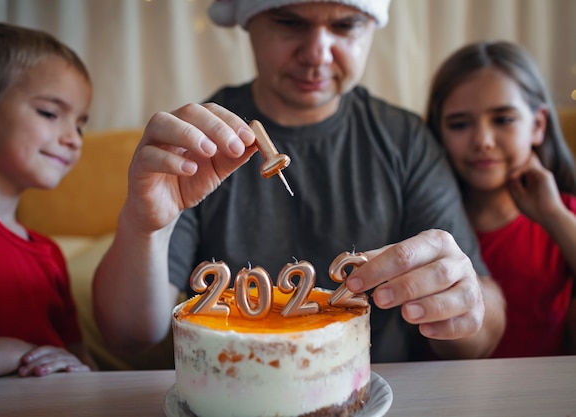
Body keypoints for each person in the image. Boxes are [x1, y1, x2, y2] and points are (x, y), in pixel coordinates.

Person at [93, 0, 506, 363]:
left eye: (345, 26)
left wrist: (463, 306)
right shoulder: (198, 147)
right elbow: (128, 337)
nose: (316, 54)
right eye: (289, 23)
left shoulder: (406, 140)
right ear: (249, 22)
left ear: (371, 29)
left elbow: (481, 333)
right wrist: (144, 224)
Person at [0, 23, 96, 389]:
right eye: (50, 113)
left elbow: (82, 365)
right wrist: (14, 353)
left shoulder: (49, 255)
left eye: (80, 125)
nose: (74, 140)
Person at [425, 40, 576, 357]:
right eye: (460, 124)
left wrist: (554, 216)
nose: (483, 141)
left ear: (537, 125)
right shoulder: (429, 224)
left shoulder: (563, 213)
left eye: (503, 119)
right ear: (438, 133)